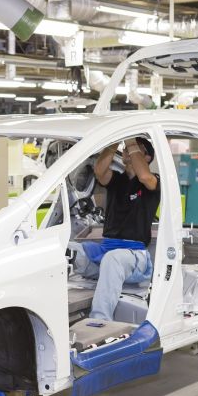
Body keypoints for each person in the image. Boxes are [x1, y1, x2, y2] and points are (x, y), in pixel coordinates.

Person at [69, 137, 160, 321]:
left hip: (133, 255)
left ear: (147, 157)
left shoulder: (153, 182)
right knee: (64, 250)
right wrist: (113, 142)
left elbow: (144, 176)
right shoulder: (117, 181)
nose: (127, 150)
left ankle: (99, 321)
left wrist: (131, 140)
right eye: (126, 148)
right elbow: (99, 171)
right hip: (105, 249)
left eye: (135, 149)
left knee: (113, 259)